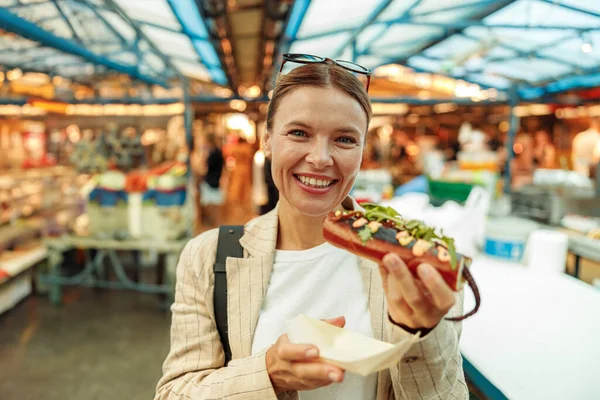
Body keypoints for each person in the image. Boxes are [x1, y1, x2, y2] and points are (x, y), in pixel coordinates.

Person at [155, 57, 467, 400]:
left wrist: (424, 333)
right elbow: (174, 393)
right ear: (268, 141)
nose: (320, 158)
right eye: (299, 133)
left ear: (363, 152)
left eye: (345, 139)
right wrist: (268, 374)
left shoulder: (416, 264)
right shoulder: (208, 257)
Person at [199, 133, 225, 228]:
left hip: (211, 181)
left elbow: (205, 166)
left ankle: (214, 225)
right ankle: (215, 225)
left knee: (211, 206)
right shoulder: (218, 152)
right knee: (214, 206)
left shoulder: (213, 153)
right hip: (215, 180)